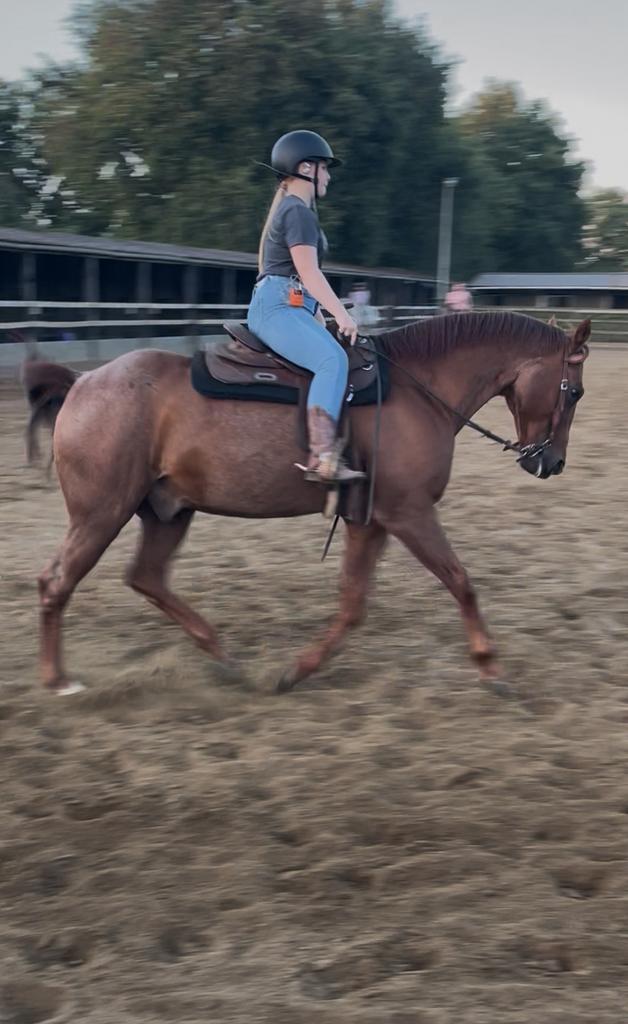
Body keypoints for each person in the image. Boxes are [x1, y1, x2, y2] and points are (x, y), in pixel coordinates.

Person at [247, 129, 364, 484]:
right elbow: (308, 274)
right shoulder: (297, 212)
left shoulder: (292, 209)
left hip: (289, 305)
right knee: (332, 360)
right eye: (325, 168)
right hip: (277, 308)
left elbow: (301, 284)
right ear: (306, 168)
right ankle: (323, 457)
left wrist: (317, 313)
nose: (328, 176)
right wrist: (342, 315)